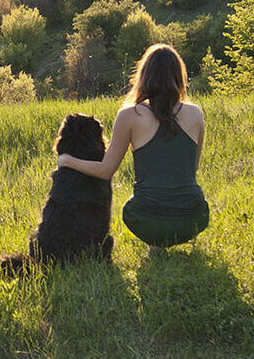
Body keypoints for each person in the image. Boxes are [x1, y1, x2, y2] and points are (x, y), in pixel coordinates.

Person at [58, 43, 209, 251]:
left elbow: (105, 171)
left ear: (144, 76)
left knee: (132, 208)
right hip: (195, 217)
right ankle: (166, 238)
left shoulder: (130, 115)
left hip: (146, 220)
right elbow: (192, 169)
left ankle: (157, 242)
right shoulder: (196, 114)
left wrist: (67, 160)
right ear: (179, 76)